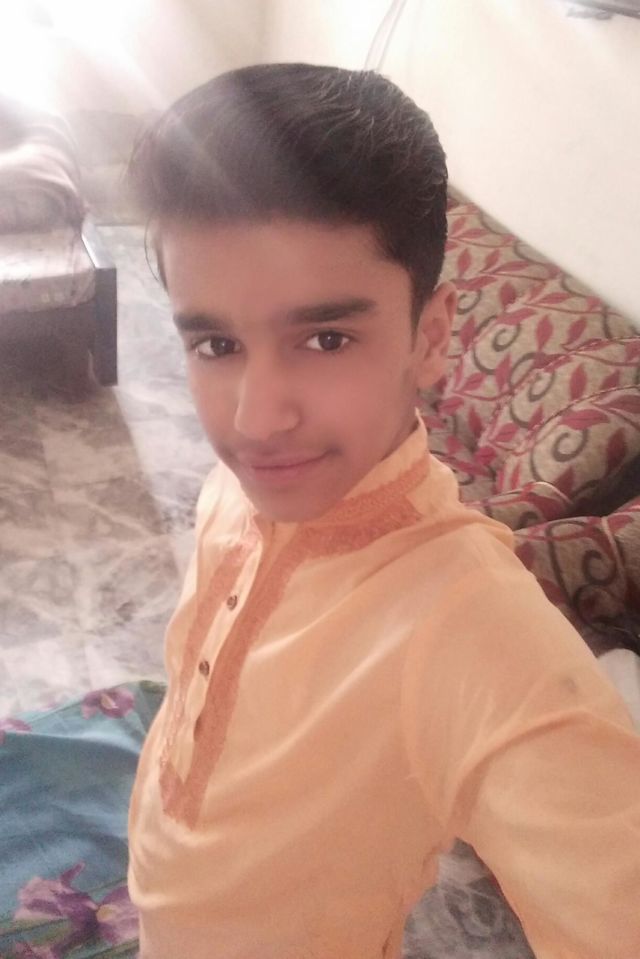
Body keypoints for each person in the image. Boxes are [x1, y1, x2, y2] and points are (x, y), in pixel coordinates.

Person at [126, 63, 640, 959]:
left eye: (326, 338)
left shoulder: (471, 630)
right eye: (215, 343)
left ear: (431, 336)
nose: (255, 418)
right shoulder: (234, 492)